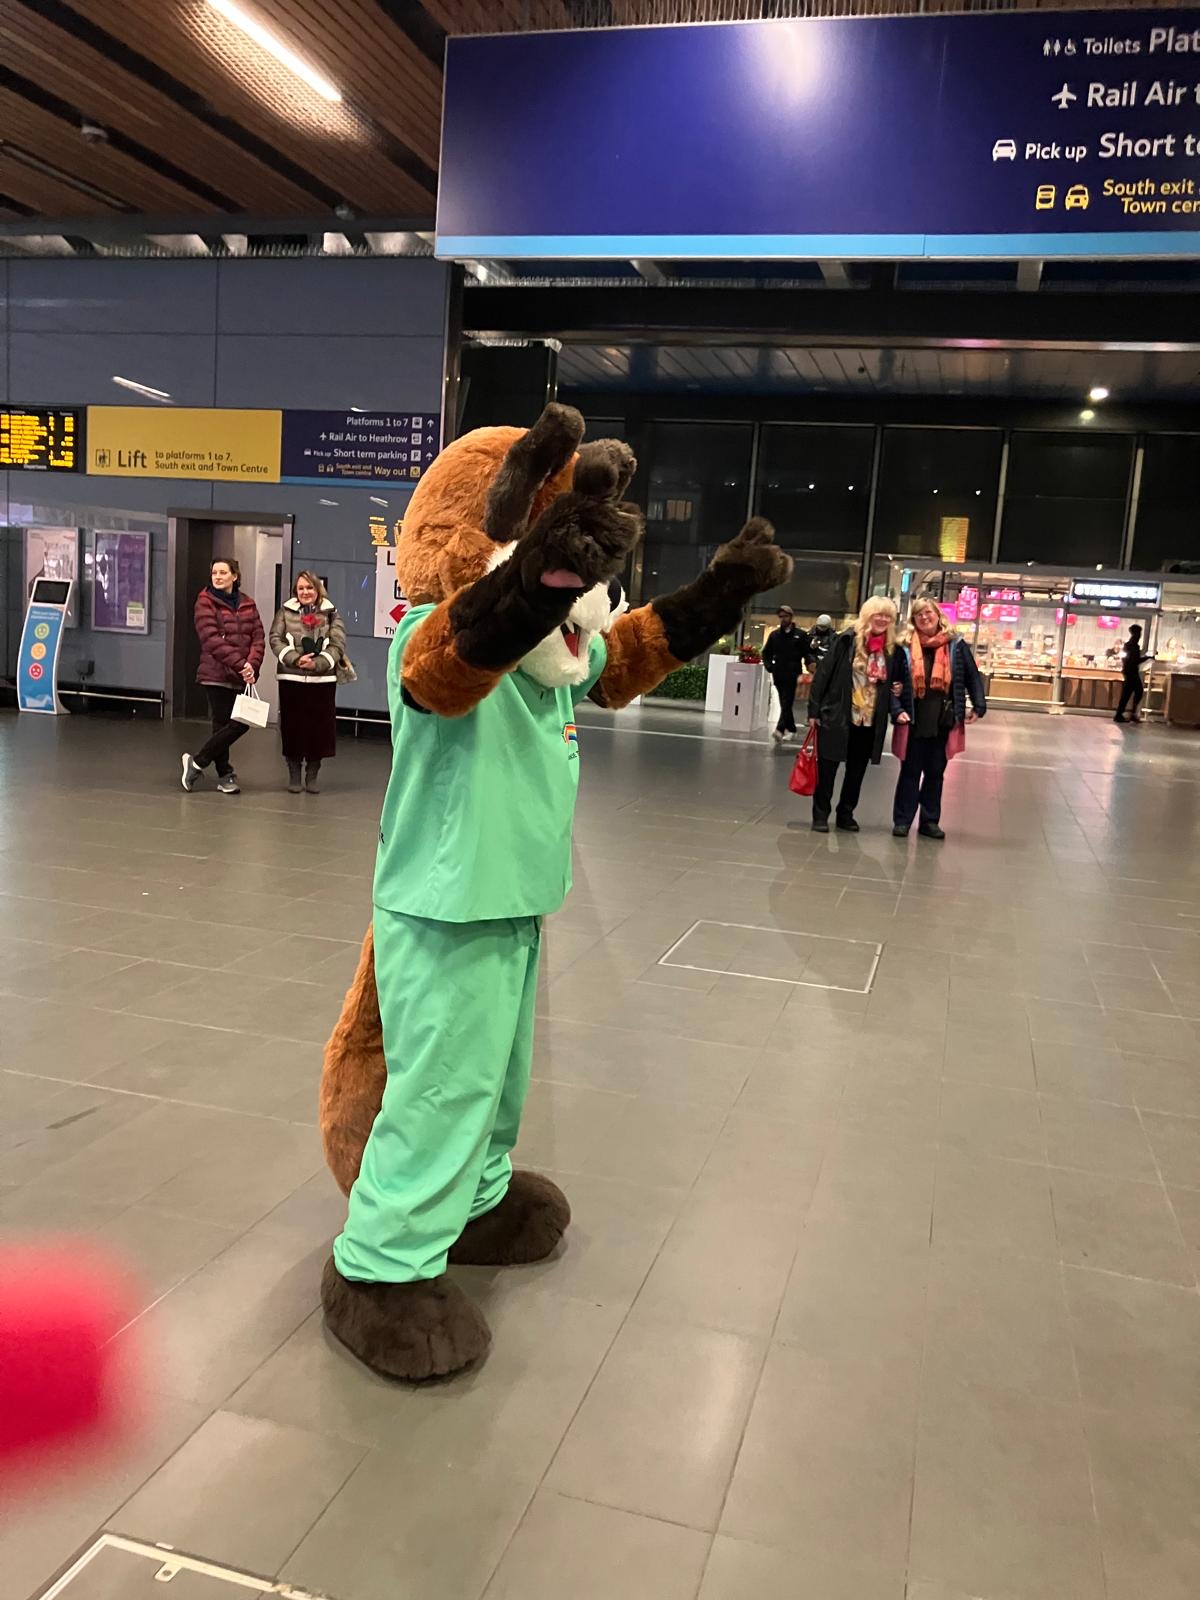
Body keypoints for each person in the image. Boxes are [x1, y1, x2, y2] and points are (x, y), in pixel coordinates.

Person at [807, 596, 911, 833]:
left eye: (888, 616)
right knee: (828, 768)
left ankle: (846, 813)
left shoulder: (891, 649)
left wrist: (896, 687)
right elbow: (822, 675)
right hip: (839, 715)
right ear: (868, 615)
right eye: (879, 614)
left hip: (869, 720)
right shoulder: (847, 640)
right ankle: (821, 815)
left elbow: (897, 680)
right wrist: (814, 711)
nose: (883, 619)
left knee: (856, 771)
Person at [892, 596, 986, 841]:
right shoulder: (903, 647)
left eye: (928, 612)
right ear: (914, 619)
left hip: (943, 719)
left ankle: (929, 821)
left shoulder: (956, 645)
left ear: (938, 615)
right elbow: (891, 683)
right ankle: (902, 821)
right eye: (919, 614)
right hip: (913, 718)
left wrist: (979, 704)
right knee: (910, 772)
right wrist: (895, 707)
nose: (925, 617)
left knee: (935, 772)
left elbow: (972, 676)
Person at [181, 557, 265, 795]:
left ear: (234, 576)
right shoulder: (205, 602)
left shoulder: (248, 603)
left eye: (223, 572)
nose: (217, 577)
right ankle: (219, 770)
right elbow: (211, 640)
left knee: (227, 724)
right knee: (232, 722)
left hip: (241, 674)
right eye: (214, 573)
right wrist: (241, 665)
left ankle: (203, 765)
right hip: (216, 673)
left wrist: (252, 665)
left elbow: (258, 637)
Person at [269, 571, 347, 793]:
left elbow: (338, 644)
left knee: (319, 729)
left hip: (322, 680)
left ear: (317, 590)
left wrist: (319, 663)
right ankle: (294, 773)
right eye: (301, 588)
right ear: (296, 590)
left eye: (309, 588)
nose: (305, 592)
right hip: (290, 677)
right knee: (292, 727)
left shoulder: (332, 613)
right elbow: (275, 639)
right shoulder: (284, 612)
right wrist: (295, 659)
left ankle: (312, 773)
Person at [762, 605, 812, 743]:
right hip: (778, 673)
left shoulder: (801, 635)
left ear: (791, 617)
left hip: (793, 673)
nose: (783, 619)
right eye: (781, 616)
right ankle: (790, 729)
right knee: (784, 702)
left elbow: (807, 653)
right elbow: (766, 652)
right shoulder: (774, 635)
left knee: (786, 701)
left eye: (786, 616)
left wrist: (811, 666)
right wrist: (769, 666)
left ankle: (780, 729)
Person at [1114, 623, 1150, 723]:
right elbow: (1135, 660)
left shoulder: (1131, 645)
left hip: (1130, 672)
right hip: (1131, 672)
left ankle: (1122, 713)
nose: (1140, 635)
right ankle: (1127, 713)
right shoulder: (1132, 645)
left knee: (1129, 693)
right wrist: (1147, 658)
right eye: (1139, 633)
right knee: (1135, 692)